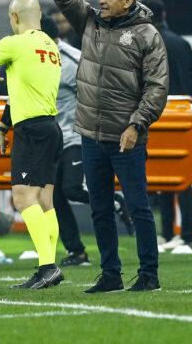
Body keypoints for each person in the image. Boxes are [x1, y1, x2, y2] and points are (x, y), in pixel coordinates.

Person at [48, 0, 169, 293]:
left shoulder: (147, 35)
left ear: (128, 1)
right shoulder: (90, 23)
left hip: (126, 135)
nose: (100, 0)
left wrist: (137, 125)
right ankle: (111, 274)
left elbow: (157, 87)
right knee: (100, 210)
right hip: (90, 134)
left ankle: (148, 274)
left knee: (138, 207)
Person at [0, 0, 65, 290]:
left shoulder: (14, 43)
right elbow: (21, 92)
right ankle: (47, 267)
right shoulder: (50, 46)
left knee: (24, 199)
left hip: (32, 131)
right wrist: (1, 128)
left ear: (13, 17)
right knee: (45, 201)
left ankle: (47, 267)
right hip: (51, 127)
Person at [41, 15, 135, 268]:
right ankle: (77, 252)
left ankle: (114, 200)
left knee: (71, 188)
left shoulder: (72, 58)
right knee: (53, 198)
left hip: (74, 135)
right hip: (49, 139)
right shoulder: (31, 59)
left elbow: (98, 91)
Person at [141, 0, 192, 249]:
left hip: (156, 112)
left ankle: (167, 232)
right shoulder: (181, 43)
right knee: (184, 174)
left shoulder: (143, 44)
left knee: (162, 171)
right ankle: (186, 235)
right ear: (164, 15)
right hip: (184, 111)